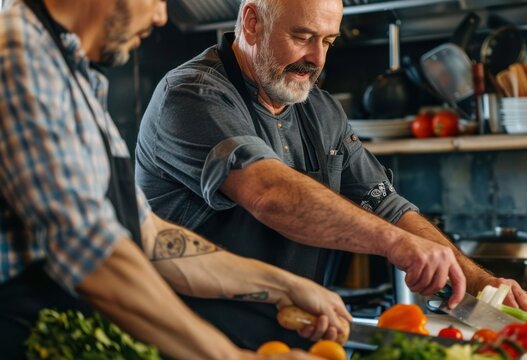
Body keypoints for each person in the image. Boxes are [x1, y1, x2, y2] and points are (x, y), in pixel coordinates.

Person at [136, 0, 527, 349]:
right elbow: (268, 192)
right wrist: (396, 245)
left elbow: (385, 205)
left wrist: (482, 286)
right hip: (190, 344)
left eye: (328, 41)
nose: (317, 59)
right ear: (252, 22)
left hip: (292, 342)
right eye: (302, 37)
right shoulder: (193, 94)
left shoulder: (320, 110)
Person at [0, 0, 349, 358]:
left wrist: (283, 286)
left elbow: (149, 236)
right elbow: (93, 254)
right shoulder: (17, 57)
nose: (160, 16)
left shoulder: (70, 72)